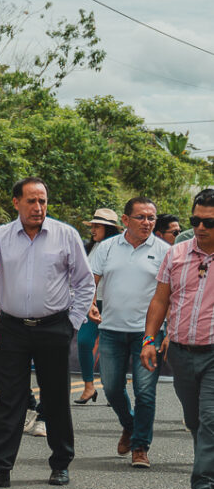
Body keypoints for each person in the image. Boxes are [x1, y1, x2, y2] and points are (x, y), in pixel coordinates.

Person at [0, 178, 94, 488]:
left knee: (55, 397)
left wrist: (72, 324)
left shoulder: (66, 235)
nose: (38, 208)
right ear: (16, 203)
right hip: (12, 328)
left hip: (54, 327)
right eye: (31, 201)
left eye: (43, 201)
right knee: (9, 400)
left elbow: (85, 282)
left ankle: (61, 462)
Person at [141, 188, 214, 489]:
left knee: (211, 419)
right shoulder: (177, 254)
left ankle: (203, 488)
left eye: (208, 222)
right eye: (195, 220)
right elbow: (160, 299)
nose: (200, 228)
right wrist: (149, 339)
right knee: (194, 420)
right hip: (181, 352)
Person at [90, 197, 168, 468]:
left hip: (147, 334)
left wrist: (166, 332)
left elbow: (171, 293)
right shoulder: (107, 247)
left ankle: (140, 446)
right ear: (125, 220)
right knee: (111, 388)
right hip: (111, 330)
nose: (147, 223)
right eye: (141, 217)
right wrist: (89, 303)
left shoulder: (164, 250)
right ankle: (130, 424)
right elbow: (91, 279)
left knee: (145, 392)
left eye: (151, 218)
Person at [73, 207, 121, 409]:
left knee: (113, 348)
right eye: (92, 225)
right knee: (84, 342)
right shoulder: (89, 247)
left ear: (109, 229)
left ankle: (115, 390)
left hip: (112, 302)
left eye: (97, 226)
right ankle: (89, 386)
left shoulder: (119, 248)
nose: (93, 229)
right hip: (90, 302)